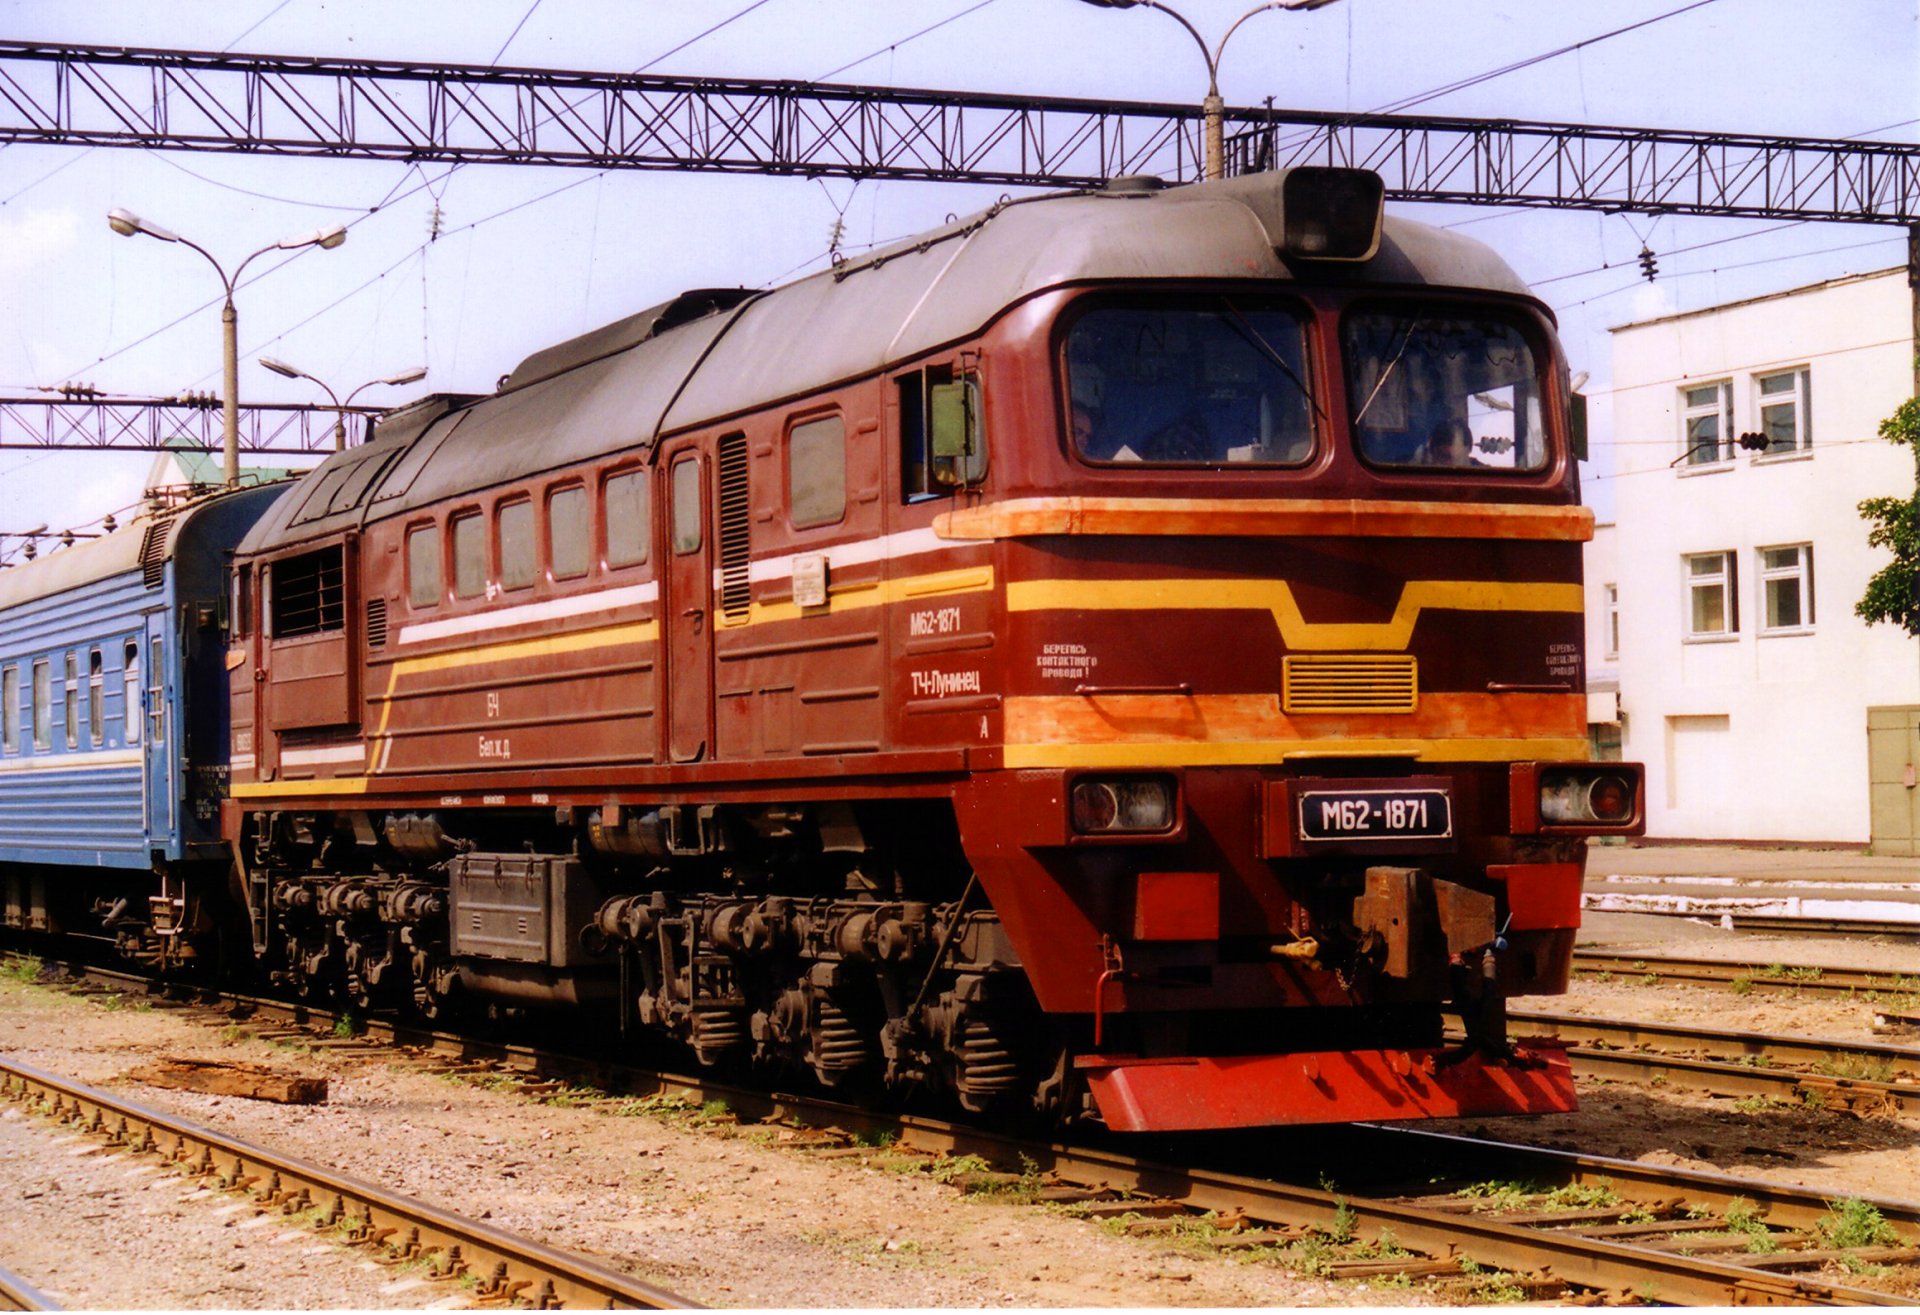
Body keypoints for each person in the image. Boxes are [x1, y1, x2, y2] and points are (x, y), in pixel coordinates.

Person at [1418, 419, 1482, 468]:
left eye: (1457, 458)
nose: (1451, 465)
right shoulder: (1416, 473)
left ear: (1468, 451)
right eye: (1444, 457)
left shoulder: (1486, 475)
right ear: (1432, 454)